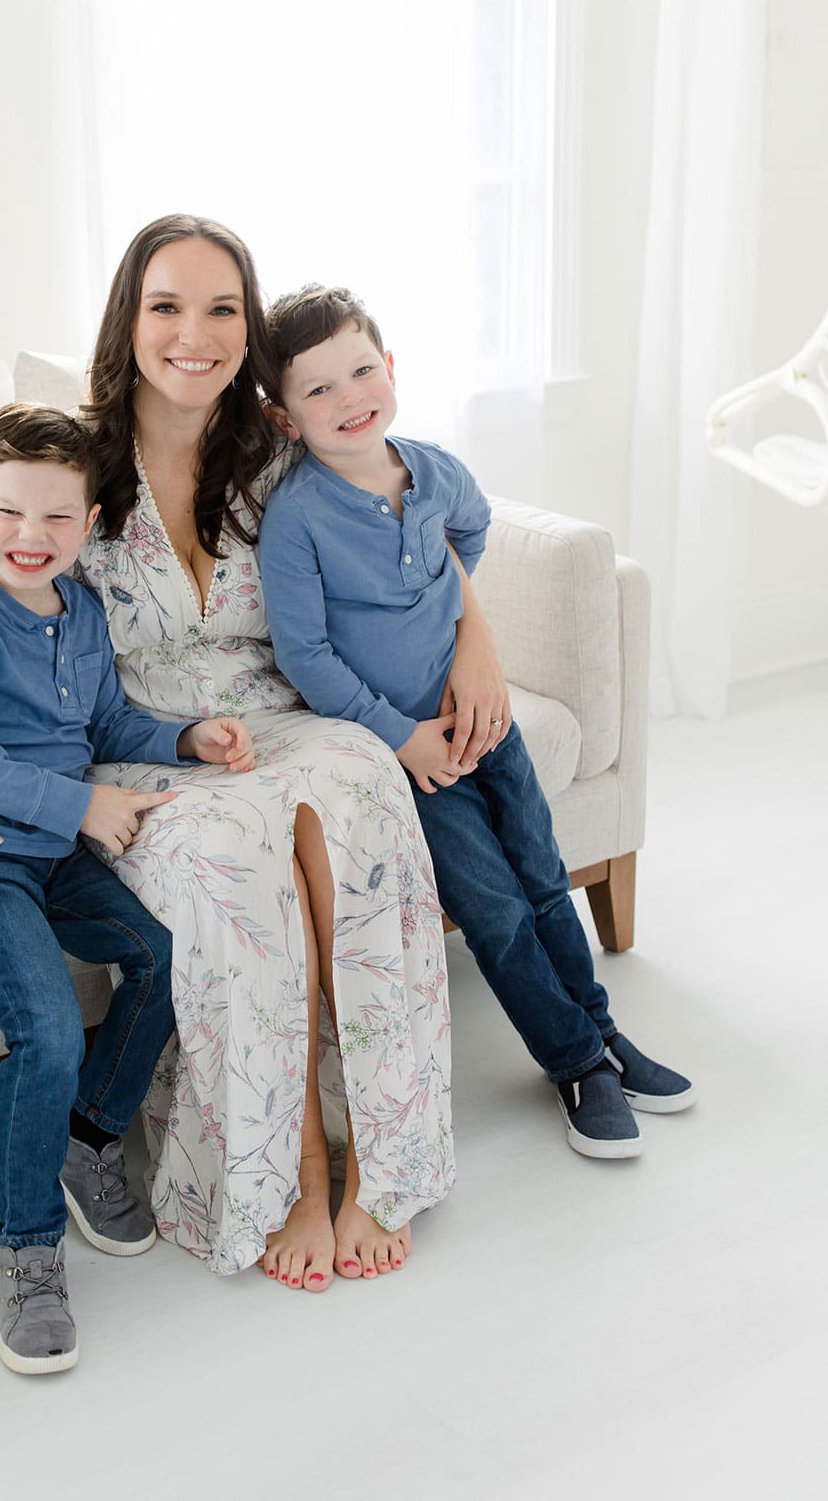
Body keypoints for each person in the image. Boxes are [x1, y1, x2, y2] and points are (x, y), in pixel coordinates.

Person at [0, 216, 482, 1291]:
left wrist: (478, 645)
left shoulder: (280, 446)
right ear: (130, 317)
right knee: (233, 850)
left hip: (270, 716)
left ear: (248, 327)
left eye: (221, 309)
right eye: (167, 306)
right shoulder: (68, 460)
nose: (193, 334)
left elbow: (419, 525)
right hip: (127, 742)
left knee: (365, 791)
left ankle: (380, 1162)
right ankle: (290, 1176)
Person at [257, 284, 696, 1159]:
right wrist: (404, 736)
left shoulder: (436, 470)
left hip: (485, 723)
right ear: (282, 417)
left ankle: (599, 1033)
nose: (349, 398)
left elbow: (473, 535)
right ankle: (572, 1063)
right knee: (493, 907)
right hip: (416, 753)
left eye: (361, 370)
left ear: (392, 368)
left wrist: (469, 651)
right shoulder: (297, 520)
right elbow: (305, 659)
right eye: (318, 390)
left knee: (544, 876)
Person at [0, 401, 253, 1373]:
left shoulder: (85, 614)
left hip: (55, 854)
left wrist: (185, 740)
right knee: (50, 1027)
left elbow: (107, 726)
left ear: (91, 523)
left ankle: (89, 1136)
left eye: (58, 517)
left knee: (162, 955)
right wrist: (79, 811)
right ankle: (23, 1248)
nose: (32, 536)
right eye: (10, 512)